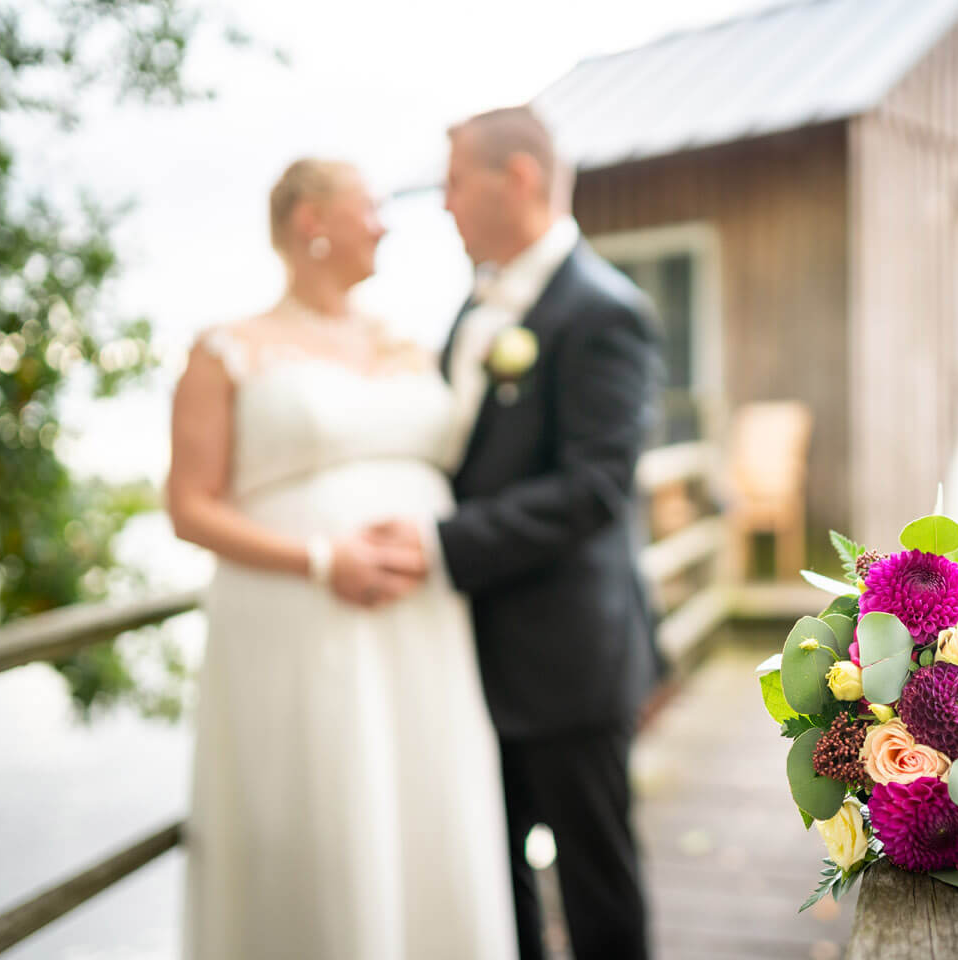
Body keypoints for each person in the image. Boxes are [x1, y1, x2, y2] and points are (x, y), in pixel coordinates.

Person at [168, 158, 518, 959]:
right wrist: (325, 557)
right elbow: (189, 507)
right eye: (369, 207)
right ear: (310, 222)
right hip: (300, 619)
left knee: (428, 802)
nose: (385, 223)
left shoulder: (407, 343)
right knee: (324, 812)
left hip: (425, 624)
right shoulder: (226, 349)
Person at [366, 105, 662, 960]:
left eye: (457, 181)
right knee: (495, 886)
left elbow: (595, 488)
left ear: (518, 178)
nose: (446, 203)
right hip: (466, 651)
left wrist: (437, 544)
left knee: (598, 889)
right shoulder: (477, 303)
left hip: (568, 659)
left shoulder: (604, 310)